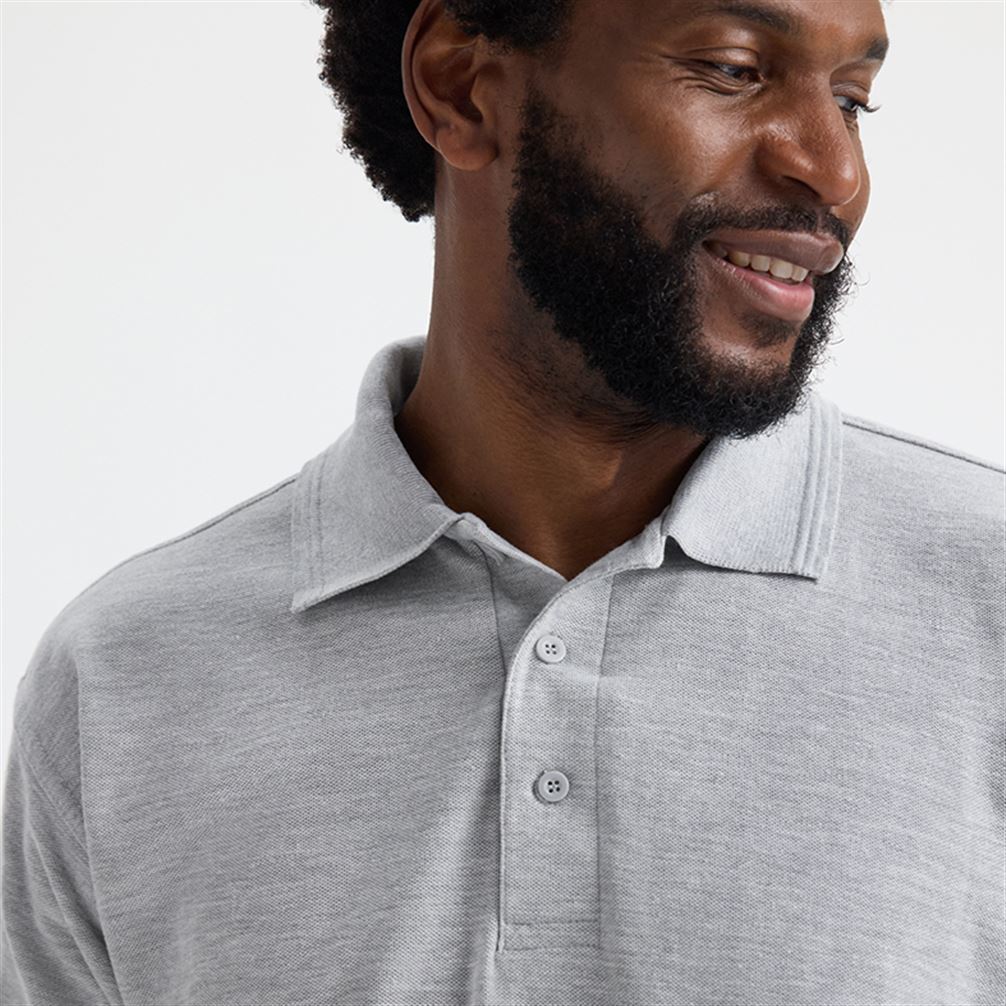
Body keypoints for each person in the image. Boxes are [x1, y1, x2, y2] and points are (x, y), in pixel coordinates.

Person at [3, 1, 1002, 1003]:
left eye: (852, 101)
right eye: (734, 69)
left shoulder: (985, 609)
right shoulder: (124, 682)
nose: (834, 172)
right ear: (461, 86)